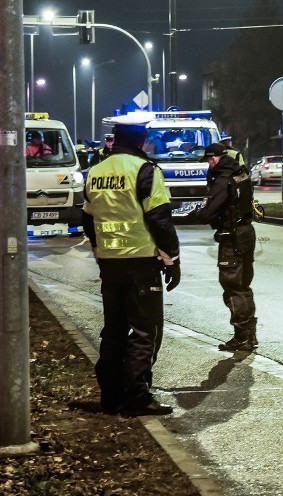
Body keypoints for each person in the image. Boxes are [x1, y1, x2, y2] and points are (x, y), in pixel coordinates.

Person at [82, 119, 181, 417]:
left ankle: (110, 396)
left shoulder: (95, 172)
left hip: (110, 265)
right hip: (141, 263)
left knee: (114, 330)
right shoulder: (145, 170)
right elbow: (160, 219)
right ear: (142, 141)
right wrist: (171, 259)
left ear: (115, 139)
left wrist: (100, 252)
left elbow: (87, 219)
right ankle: (137, 396)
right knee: (143, 330)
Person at [192, 143, 259, 352]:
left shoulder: (222, 180)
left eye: (208, 161)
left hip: (232, 237)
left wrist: (197, 212)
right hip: (247, 233)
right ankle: (250, 334)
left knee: (232, 287)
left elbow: (207, 213)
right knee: (244, 286)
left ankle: (242, 337)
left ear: (214, 159)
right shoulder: (241, 173)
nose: (208, 165)